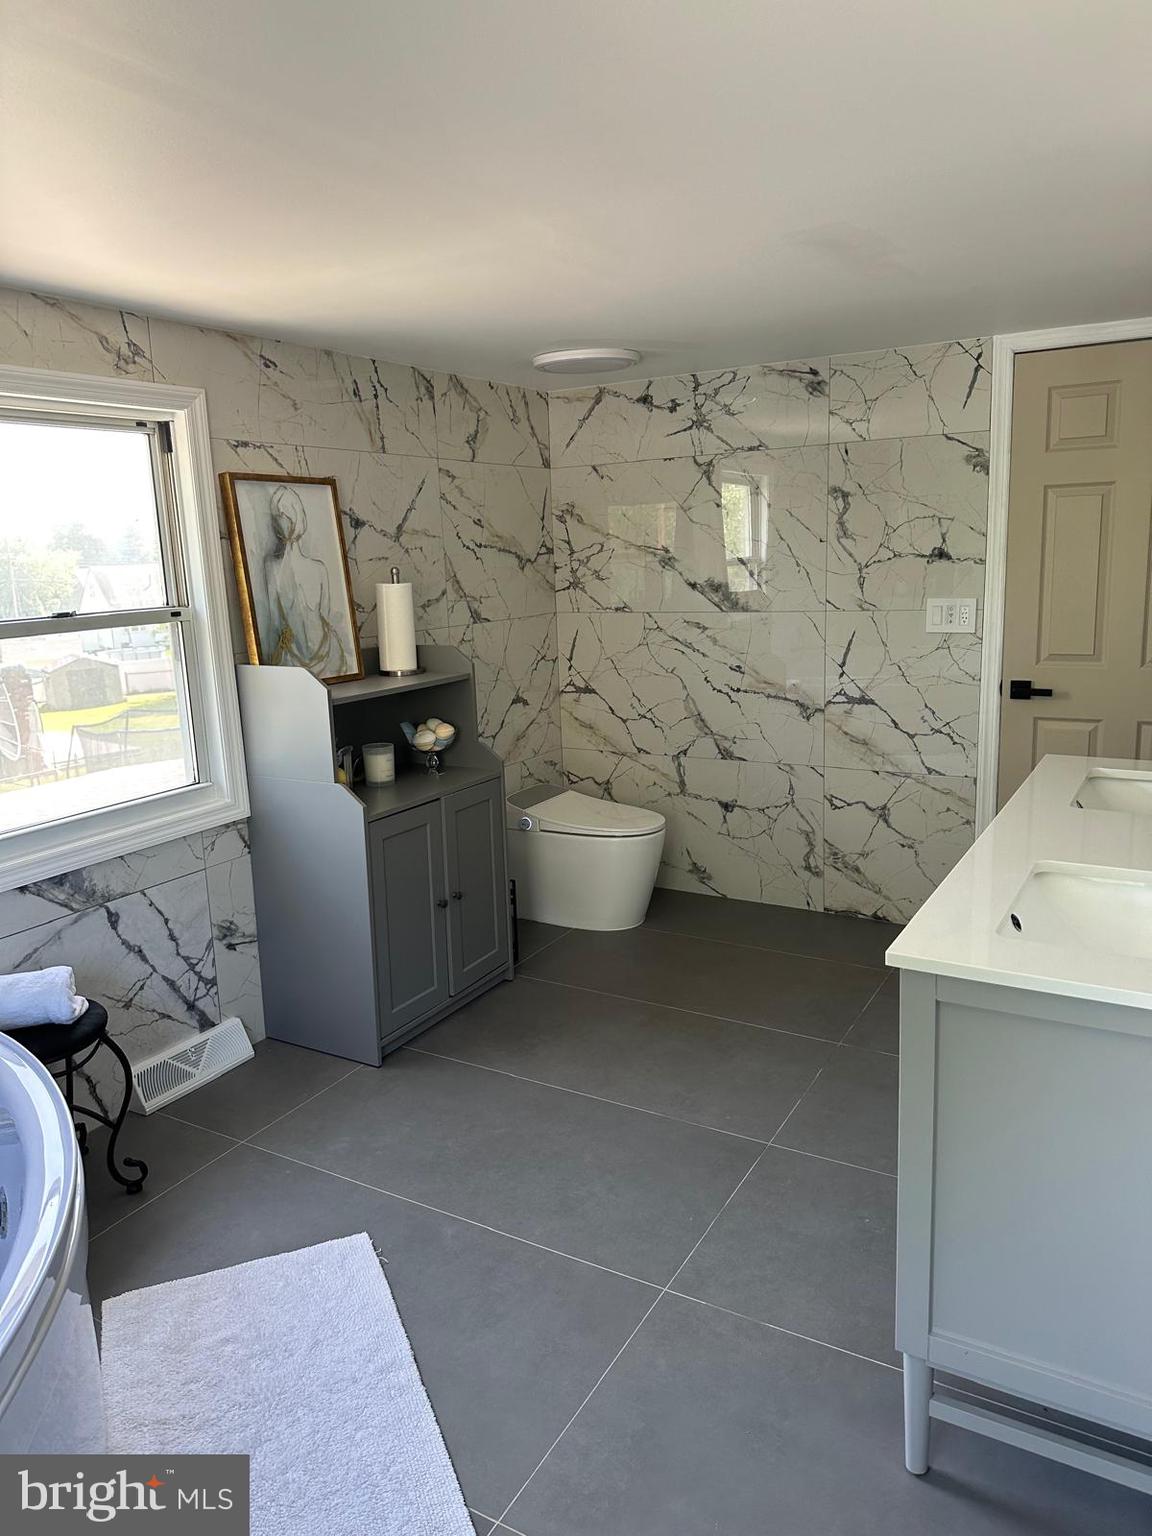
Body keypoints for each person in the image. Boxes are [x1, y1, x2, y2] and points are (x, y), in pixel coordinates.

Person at [261, 484, 350, 676]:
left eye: (283, 515)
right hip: (300, 657)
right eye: (280, 516)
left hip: (317, 654)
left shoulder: (316, 569)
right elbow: (275, 623)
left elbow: (277, 623)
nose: (283, 521)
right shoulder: (276, 568)